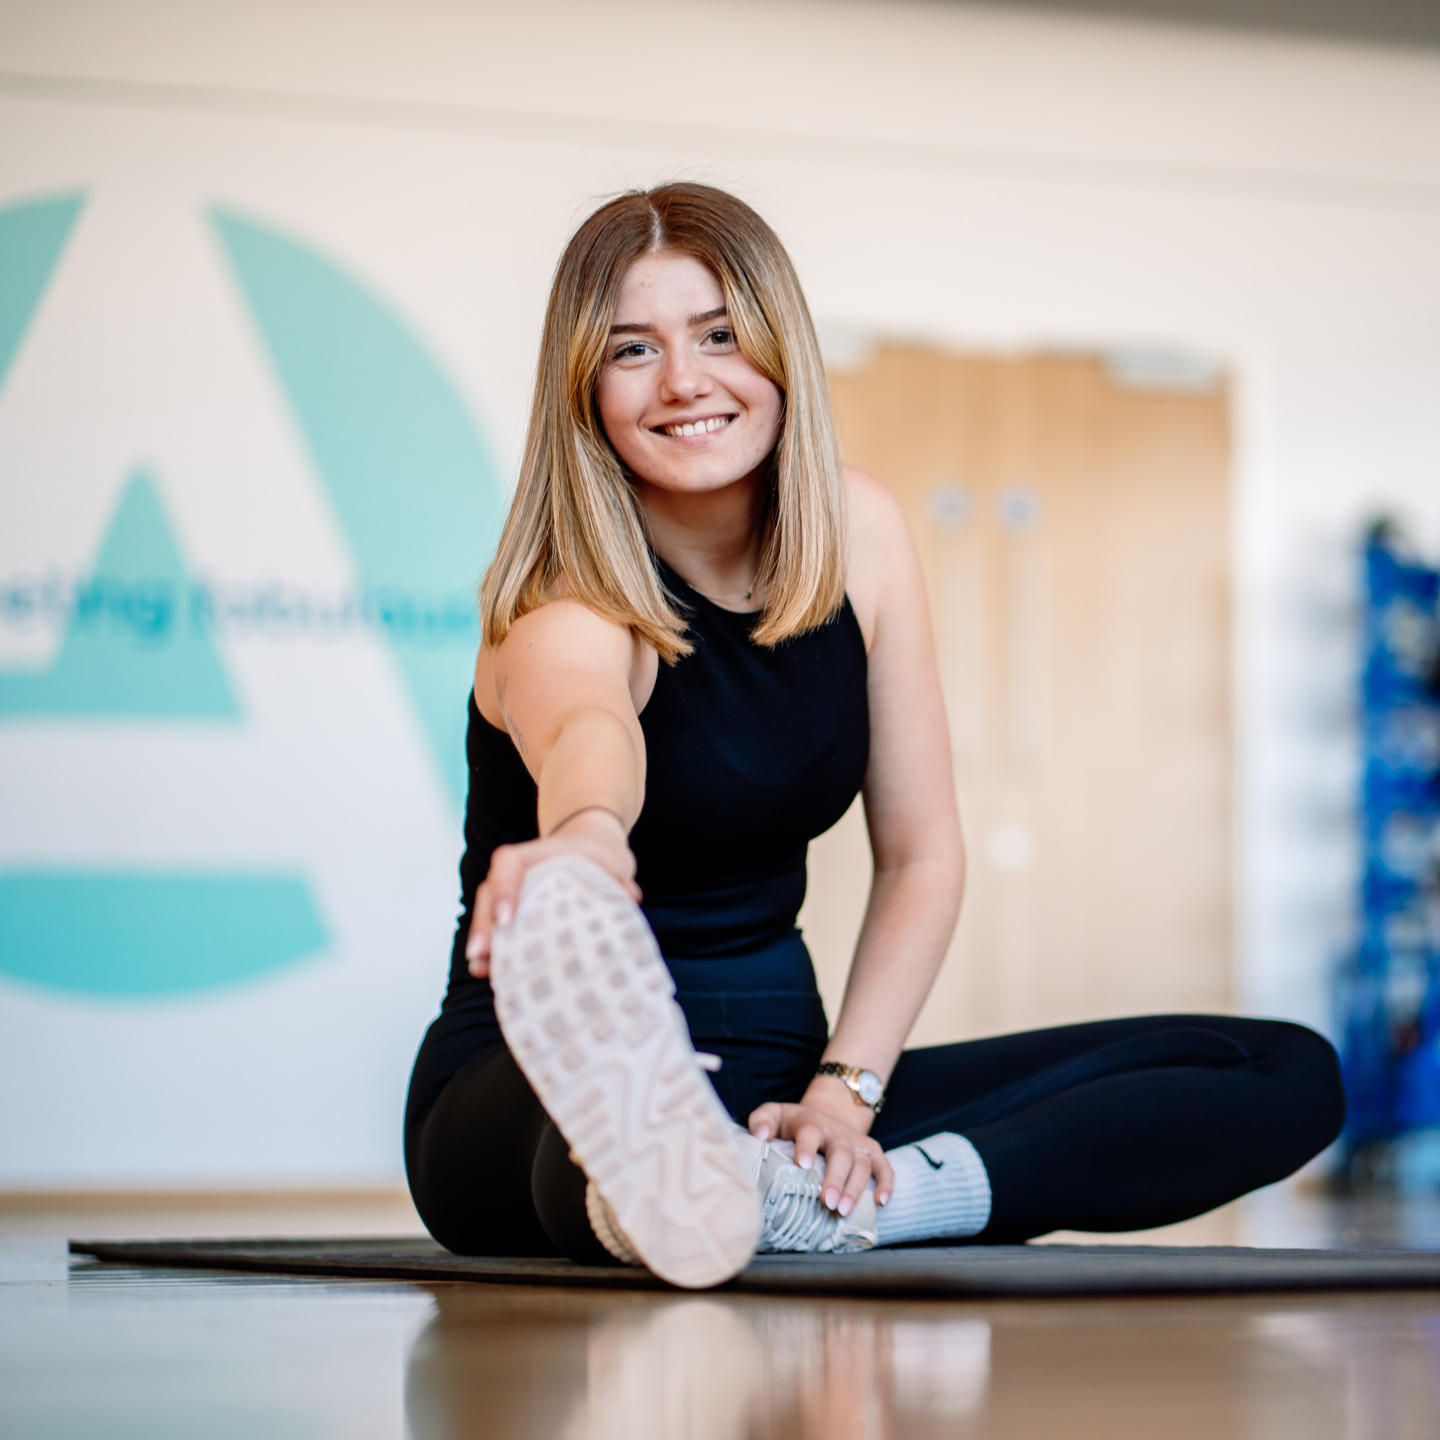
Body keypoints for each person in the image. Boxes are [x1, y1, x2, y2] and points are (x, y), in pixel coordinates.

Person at [404, 182, 1344, 1288]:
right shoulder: (567, 601)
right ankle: (677, 1180)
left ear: (779, 348)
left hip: (786, 1077)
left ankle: (828, 1208)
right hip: (520, 1087)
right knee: (589, 1139)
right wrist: (588, 838)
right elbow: (588, 731)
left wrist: (842, 1097)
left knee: (1284, 1069)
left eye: (718, 334)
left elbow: (923, 853)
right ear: (583, 390)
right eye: (631, 351)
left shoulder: (862, 536)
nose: (685, 381)